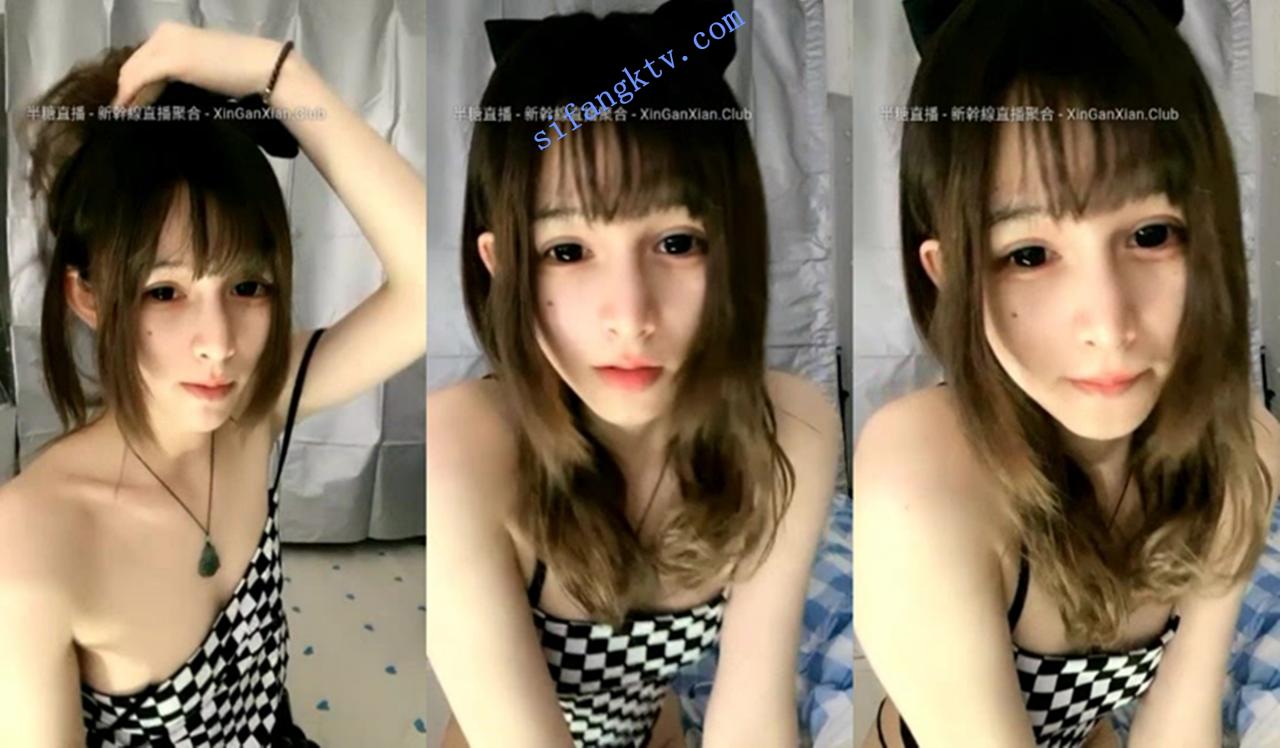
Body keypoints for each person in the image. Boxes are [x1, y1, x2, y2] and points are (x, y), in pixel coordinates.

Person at [854, 0, 1280, 746]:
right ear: (949, 275)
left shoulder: (1244, 447)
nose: (1108, 325)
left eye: (1151, 234)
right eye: (1028, 254)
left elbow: (1182, 720)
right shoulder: (923, 470)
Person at [425, 1, 842, 746]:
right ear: (502, 264)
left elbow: (753, 710)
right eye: (567, 251)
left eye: (677, 242)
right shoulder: (464, 445)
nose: (630, 316)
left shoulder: (791, 428)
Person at [0, 21, 426, 746]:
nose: (219, 344)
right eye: (164, 292)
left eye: (248, 286)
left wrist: (279, 73)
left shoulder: (251, 413)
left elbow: (424, 287)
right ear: (90, 297)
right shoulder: (31, 542)